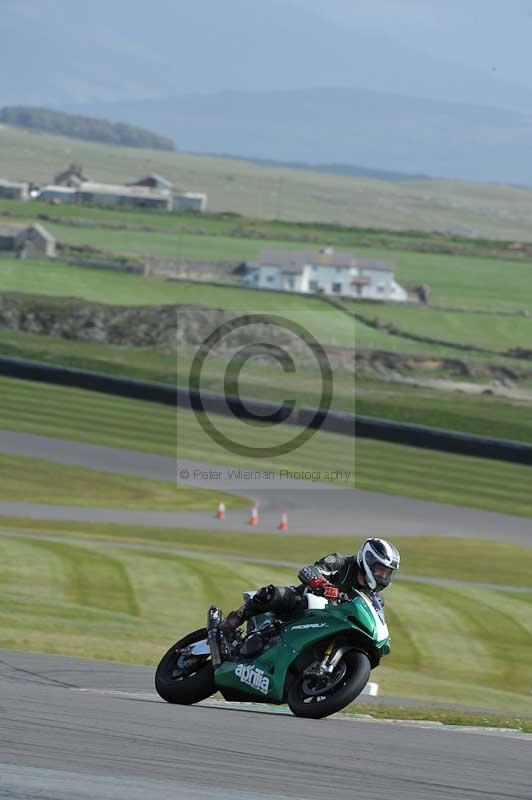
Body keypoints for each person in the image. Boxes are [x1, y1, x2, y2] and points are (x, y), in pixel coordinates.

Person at [219, 537, 400, 637]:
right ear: (367, 560)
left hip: (330, 624)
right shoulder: (341, 562)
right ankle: (236, 618)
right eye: (380, 570)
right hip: (303, 604)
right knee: (274, 594)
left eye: (387, 572)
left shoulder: (374, 599)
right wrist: (322, 585)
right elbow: (309, 570)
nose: (383, 576)